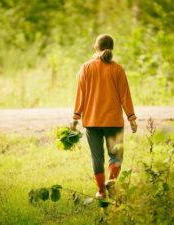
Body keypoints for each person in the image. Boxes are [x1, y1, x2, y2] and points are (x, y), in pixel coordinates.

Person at [70, 34, 137, 199]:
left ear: (95, 47)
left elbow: (81, 95)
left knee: (97, 157)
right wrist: (131, 118)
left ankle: (101, 192)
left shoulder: (85, 68)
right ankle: (111, 182)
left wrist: (75, 117)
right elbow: (125, 96)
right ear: (111, 48)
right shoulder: (118, 69)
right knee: (116, 155)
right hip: (113, 121)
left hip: (92, 121)